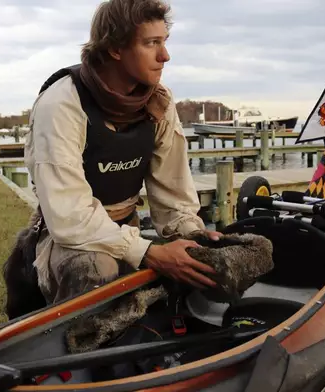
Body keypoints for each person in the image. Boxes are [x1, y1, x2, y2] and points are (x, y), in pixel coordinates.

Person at [19, 0, 221, 310]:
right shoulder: (61, 105)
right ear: (115, 48)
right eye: (151, 43)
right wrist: (149, 252)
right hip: (69, 239)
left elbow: (174, 195)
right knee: (97, 268)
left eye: (164, 42)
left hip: (127, 226)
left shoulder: (160, 103)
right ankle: (76, 347)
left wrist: (196, 237)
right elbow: (69, 218)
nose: (165, 56)